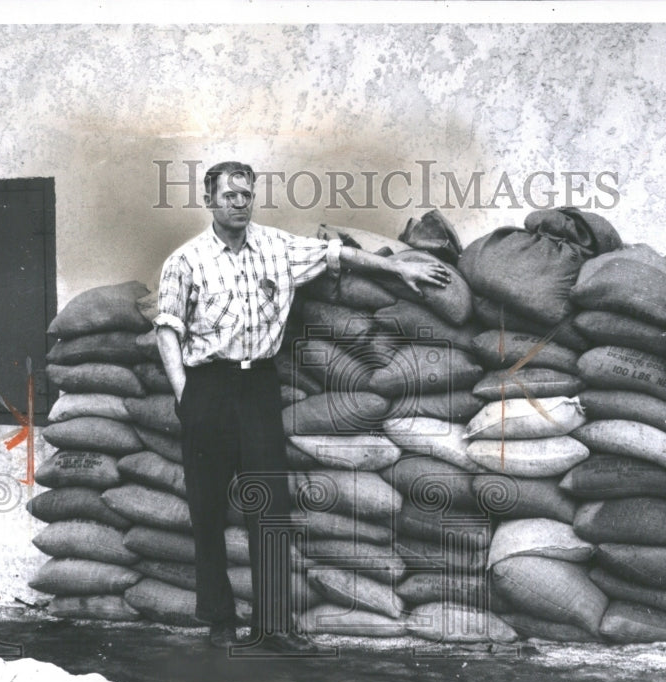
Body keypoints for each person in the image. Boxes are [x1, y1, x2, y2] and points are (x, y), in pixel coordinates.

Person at [154, 161, 450, 654]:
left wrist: (397, 265)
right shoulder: (185, 261)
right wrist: (185, 395)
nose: (238, 202)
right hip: (207, 385)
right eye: (227, 194)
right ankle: (220, 621)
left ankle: (272, 627)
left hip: (258, 387)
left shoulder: (278, 247)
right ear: (209, 200)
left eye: (245, 194)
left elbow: (339, 256)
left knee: (269, 507)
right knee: (207, 507)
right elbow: (167, 329)